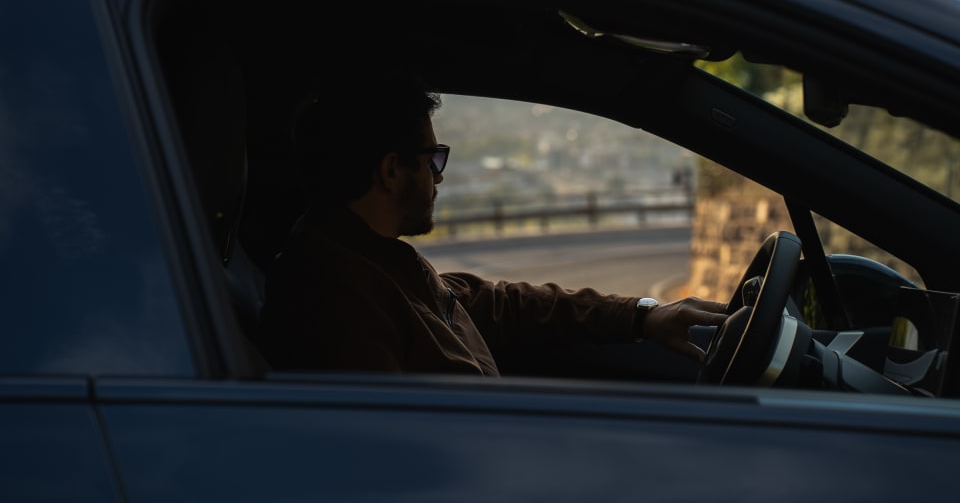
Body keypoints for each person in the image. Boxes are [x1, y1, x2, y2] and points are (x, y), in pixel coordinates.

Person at [259, 76, 728, 376]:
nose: (439, 177)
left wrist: (642, 315)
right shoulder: (338, 297)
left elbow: (502, 304)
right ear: (392, 170)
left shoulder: (378, 262)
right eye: (432, 159)